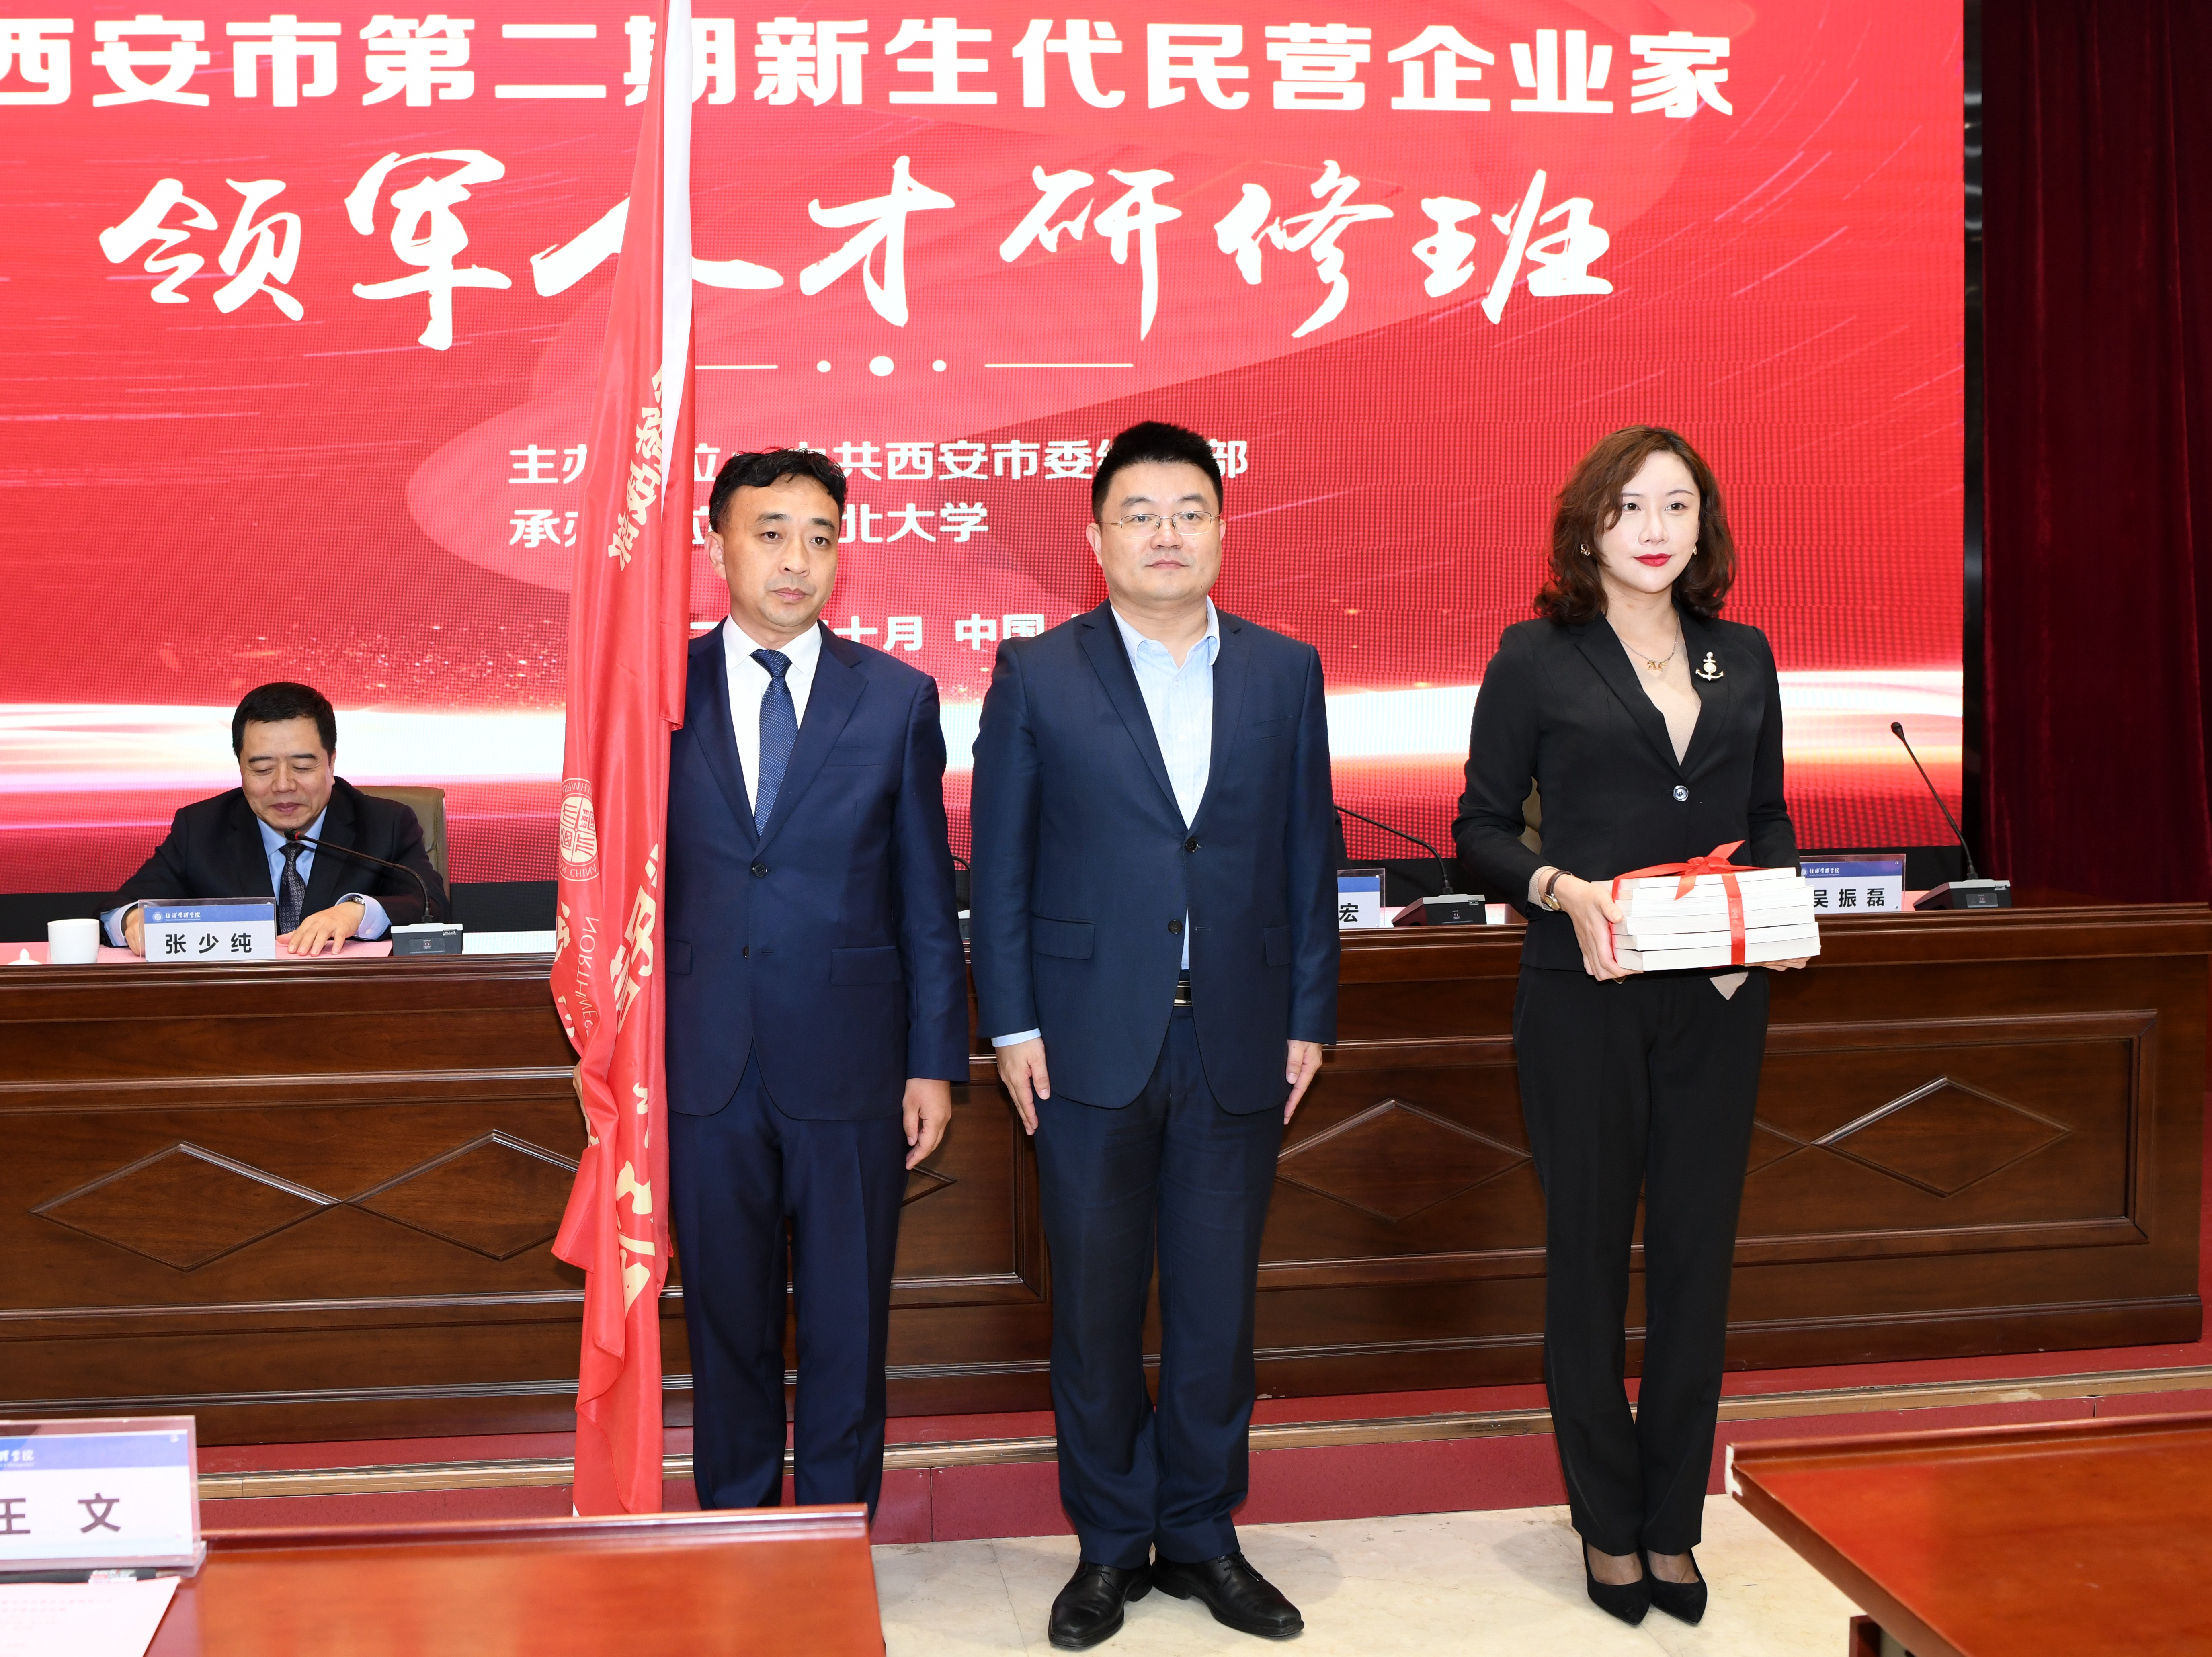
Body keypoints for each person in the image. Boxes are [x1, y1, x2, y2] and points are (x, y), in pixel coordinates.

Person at [969, 421, 1339, 1650]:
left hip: (1236, 1034)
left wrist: (1308, 1013)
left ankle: (1200, 1532)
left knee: (1215, 1310)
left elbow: (1305, 851)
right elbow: (1000, 867)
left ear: (1222, 528)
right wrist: (1010, 1022)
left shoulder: (1283, 672)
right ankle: (1107, 1542)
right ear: (1095, 536)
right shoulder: (1038, 673)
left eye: (1189, 511)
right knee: (1093, 1308)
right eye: (1139, 513)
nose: (1165, 533)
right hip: (1081, 1043)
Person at [1453, 426, 1805, 1628]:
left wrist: (1773, 912)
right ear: (1588, 525)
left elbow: (1765, 813)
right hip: (1582, 993)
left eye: (1678, 506)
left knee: (1698, 1262)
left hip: (1718, 997)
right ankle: (1606, 1523)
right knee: (1590, 1261)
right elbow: (1479, 830)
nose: (1655, 529)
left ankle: (1672, 1522)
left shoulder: (1739, 655)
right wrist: (1560, 888)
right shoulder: (1536, 656)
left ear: (1705, 526)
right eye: (1630, 506)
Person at [664, 448, 966, 1518]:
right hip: (699, 1061)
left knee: (846, 1322)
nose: (796, 560)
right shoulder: (653, 693)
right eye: (770, 533)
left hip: (851, 1064)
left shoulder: (894, 698)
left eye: (820, 537)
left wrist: (934, 1061)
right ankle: (738, 1538)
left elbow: (925, 895)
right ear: (717, 545)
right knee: (724, 1323)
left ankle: (836, 1537)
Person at [104, 680, 445, 956]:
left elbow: (431, 907)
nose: (283, 785)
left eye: (302, 766)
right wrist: (133, 920)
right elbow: (117, 909)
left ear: (331, 763)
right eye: (263, 769)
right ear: (241, 767)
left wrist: (358, 911)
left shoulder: (385, 823)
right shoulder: (201, 828)